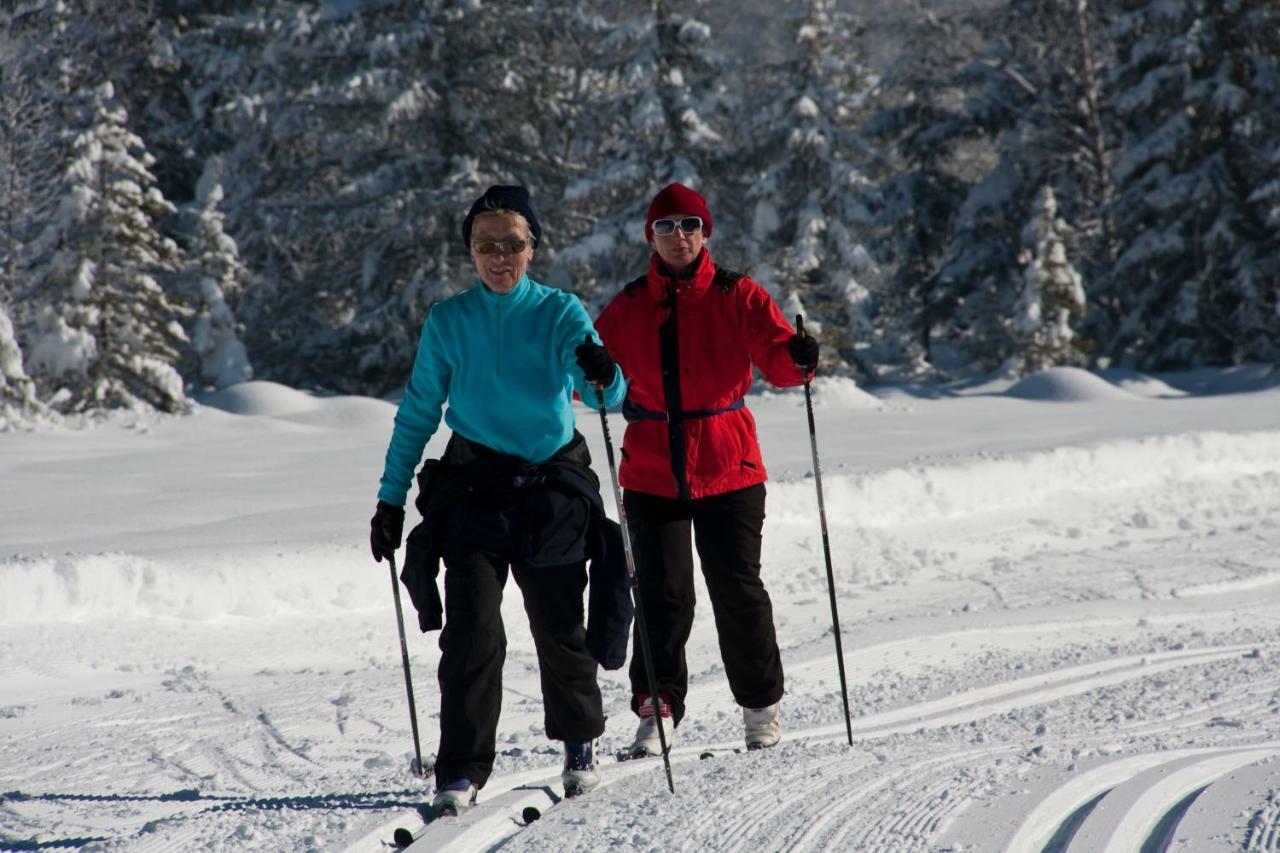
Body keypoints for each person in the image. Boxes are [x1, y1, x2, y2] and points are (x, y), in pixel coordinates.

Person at [368, 185, 628, 813]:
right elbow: (418, 415)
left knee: (560, 629)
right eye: (486, 244)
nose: (499, 256)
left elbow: (608, 396)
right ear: (471, 252)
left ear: (532, 248)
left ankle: (578, 742)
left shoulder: (561, 312)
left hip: (550, 490)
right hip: (475, 491)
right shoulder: (449, 320)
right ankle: (459, 768)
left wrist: (602, 367)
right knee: (471, 633)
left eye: (512, 243)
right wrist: (390, 500)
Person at [593, 182, 820, 757]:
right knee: (663, 595)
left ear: (705, 232)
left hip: (729, 466)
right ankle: (658, 706)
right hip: (651, 469)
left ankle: (760, 706)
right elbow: (591, 374)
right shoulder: (626, 305)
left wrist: (799, 358)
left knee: (737, 590)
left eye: (688, 225)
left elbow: (778, 359)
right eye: (665, 227)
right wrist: (589, 367)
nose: (678, 236)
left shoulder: (736, 294)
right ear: (651, 235)